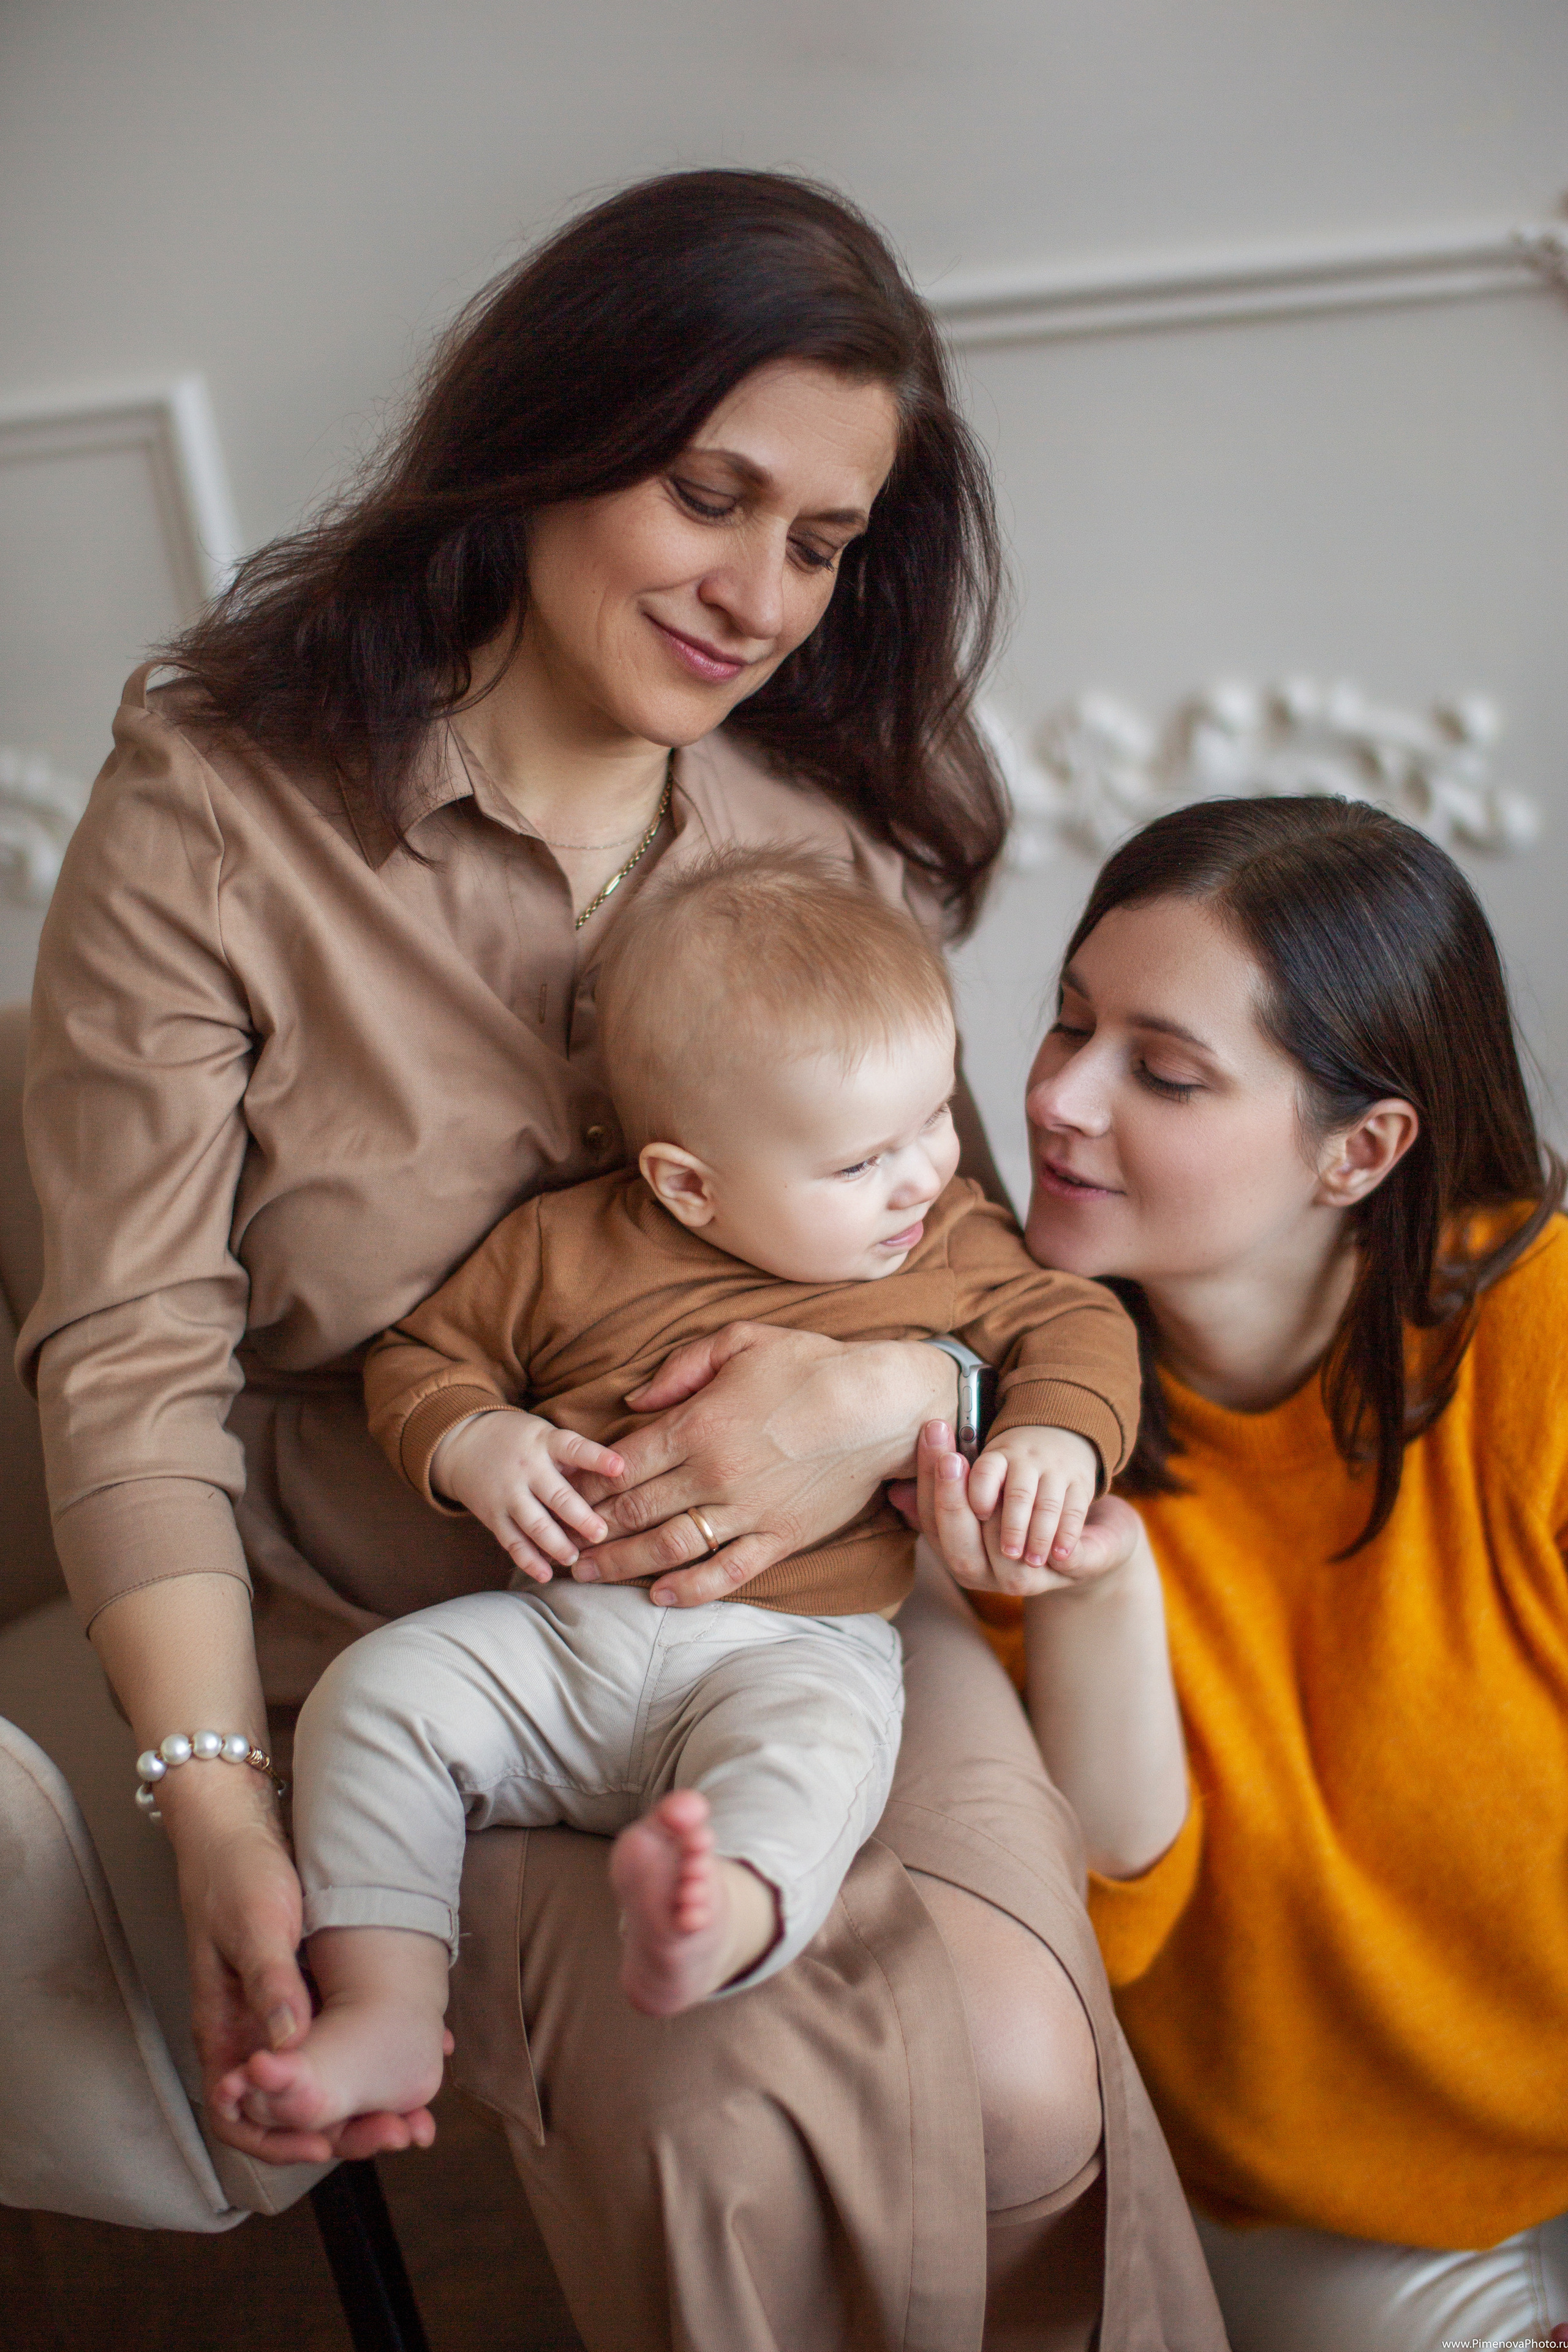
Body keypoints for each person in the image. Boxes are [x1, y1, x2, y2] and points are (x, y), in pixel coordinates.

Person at [17, 169, 1223, 2348]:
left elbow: (973, 1275)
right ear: (557, 434)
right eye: (710, 494)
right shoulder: (220, 806)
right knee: (740, 2122)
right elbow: (128, 1356)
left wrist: (899, 1394)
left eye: (823, 543)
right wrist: (207, 1804)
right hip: (432, 1626)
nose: (762, 591)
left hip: (826, 1609)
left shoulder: (826, 827)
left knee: (1028, 2082)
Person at [211, 848, 1139, 2140]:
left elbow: (1074, 1324)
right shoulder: (562, 1248)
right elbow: (423, 1359)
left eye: (931, 1117)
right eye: (864, 1160)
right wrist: (474, 1444)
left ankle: (717, 1921)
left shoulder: (950, 1243)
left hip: (795, 1649)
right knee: (375, 1704)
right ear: (684, 1182)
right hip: (560, 1639)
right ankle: (386, 2009)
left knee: (811, 1770)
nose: (926, 1175)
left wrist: (1054, 1439)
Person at [910, 793, 1568, 2351]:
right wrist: (1097, 1590)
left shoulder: (1538, 1337)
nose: (1058, 1098)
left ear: (1360, 1147)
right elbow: (1106, 1937)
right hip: (1320, 2214)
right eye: (1066, 1024)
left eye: (1163, 1070)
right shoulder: (1005, 1428)